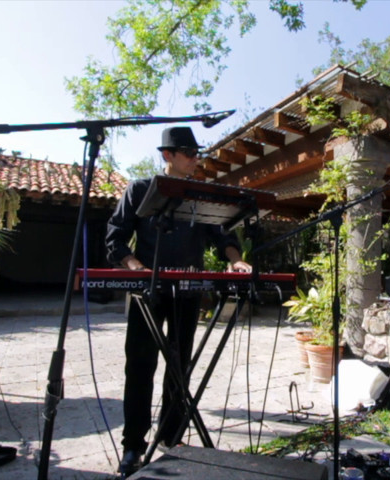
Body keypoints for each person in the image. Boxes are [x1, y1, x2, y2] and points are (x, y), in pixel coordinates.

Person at [106, 126, 251, 476]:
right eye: (188, 152)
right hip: (148, 291)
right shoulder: (141, 189)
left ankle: (172, 437)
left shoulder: (200, 196)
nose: (195, 159)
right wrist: (135, 265)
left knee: (179, 366)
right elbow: (116, 237)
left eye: (196, 152)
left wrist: (235, 260)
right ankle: (133, 446)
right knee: (139, 366)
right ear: (168, 155)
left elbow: (223, 234)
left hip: (187, 291)